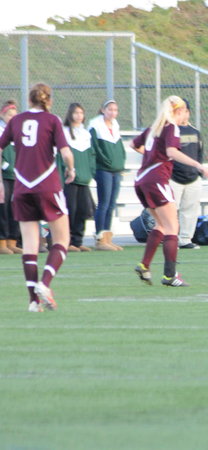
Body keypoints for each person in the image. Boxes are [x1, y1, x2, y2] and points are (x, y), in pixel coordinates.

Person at [0, 83, 76, 312]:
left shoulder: (16, 120)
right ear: (48, 100)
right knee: (62, 239)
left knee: (30, 245)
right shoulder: (52, 120)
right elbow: (65, 152)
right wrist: (71, 169)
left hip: (22, 187)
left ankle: (33, 301)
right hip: (47, 184)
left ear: (29, 99)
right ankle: (45, 283)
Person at [131, 95, 208, 287]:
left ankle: (144, 265)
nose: (186, 115)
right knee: (172, 227)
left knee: (161, 225)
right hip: (156, 180)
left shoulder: (154, 128)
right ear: (179, 111)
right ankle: (170, 276)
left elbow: (133, 145)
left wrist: (151, 157)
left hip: (141, 180)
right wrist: (198, 165)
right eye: (185, 111)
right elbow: (172, 152)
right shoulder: (171, 127)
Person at [89, 99, 125, 251]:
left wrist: (121, 162)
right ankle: (100, 238)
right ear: (103, 110)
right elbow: (95, 149)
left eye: (115, 110)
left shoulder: (115, 125)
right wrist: (106, 161)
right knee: (103, 203)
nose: (112, 112)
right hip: (103, 169)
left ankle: (107, 238)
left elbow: (120, 147)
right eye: (110, 109)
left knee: (111, 203)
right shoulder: (95, 126)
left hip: (116, 169)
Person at [60, 103, 96, 252]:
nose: (79, 115)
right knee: (71, 209)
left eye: (81, 113)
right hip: (70, 179)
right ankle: (67, 241)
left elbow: (91, 155)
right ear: (70, 114)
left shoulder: (86, 134)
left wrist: (90, 172)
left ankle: (77, 241)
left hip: (83, 178)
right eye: (76, 113)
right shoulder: (64, 132)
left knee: (82, 209)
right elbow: (61, 155)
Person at [169, 99, 204, 250]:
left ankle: (185, 239)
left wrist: (198, 173)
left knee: (190, 210)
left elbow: (199, 154)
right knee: (171, 211)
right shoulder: (171, 131)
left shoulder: (195, 132)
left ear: (188, 112)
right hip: (174, 177)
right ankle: (171, 239)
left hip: (192, 178)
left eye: (184, 110)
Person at [0, 100, 21, 254]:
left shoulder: (18, 131)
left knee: (15, 208)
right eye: (9, 115)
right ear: (2, 115)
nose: (12, 118)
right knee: (3, 208)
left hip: (17, 176)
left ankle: (13, 241)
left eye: (14, 115)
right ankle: (2, 242)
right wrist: (6, 166)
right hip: (4, 176)